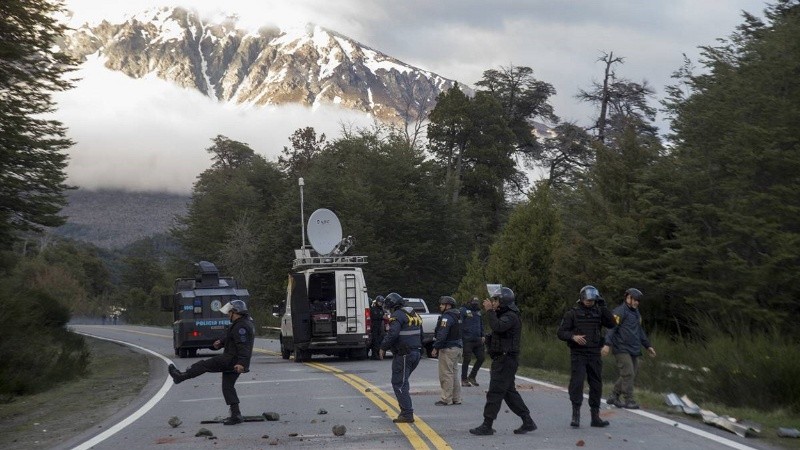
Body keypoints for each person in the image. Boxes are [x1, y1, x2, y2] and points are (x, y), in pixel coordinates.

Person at [168, 299, 255, 425]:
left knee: (203, 365)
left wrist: (241, 363)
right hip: (234, 360)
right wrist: (221, 342)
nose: (227, 314)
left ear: (235, 312)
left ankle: (180, 377)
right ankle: (236, 414)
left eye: (229, 312)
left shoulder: (241, 326)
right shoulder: (241, 323)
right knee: (228, 386)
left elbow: (243, 346)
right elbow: (232, 338)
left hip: (231, 360)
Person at [469, 286, 536, 436]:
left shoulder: (511, 316)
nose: (493, 302)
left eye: (496, 300)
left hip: (505, 360)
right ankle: (528, 421)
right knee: (509, 393)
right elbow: (497, 331)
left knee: (495, 392)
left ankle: (487, 425)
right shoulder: (504, 314)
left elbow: (498, 327)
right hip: (503, 360)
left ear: (503, 301)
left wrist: (490, 311)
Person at [557, 285, 616, 428]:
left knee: (596, 384)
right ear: (582, 299)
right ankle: (576, 415)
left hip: (594, 353)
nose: (590, 302)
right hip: (578, 354)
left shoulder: (600, 312)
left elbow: (612, 324)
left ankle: (595, 417)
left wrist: (604, 307)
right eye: (587, 300)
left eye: (592, 300)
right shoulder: (573, 314)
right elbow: (561, 332)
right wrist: (573, 337)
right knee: (577, 383)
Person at [602, 288, 656, 409]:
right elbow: (611, 328)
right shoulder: (619, 311)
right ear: (628, 298)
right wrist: (607, 344)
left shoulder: (637, 314)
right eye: (635, 300)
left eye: (638, 301)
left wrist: (648, 346)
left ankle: (614, 395)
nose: (636, 303)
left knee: (629, 374)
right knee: (628, 373)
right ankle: (629, 399)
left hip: (634, 348)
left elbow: (640, 331)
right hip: (621, 347)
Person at [379, 292, 424, 423]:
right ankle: (406, 411)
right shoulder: (414, 314)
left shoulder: (397, 316)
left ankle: (407, 413)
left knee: (399, 383)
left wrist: (383, 347)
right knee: (403, 382)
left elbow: (393, 333)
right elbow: (420, 334)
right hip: (416, 352)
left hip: (404, 354)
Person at [431, 296, 463, 406]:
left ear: (448, 305)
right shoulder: (457, 315)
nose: (440, 306)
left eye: (442, 304)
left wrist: (436, 347)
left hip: (448, 348)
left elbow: (442, 334)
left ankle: (446, 399)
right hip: (457, 347)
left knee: (446, 374)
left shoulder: (446, 317)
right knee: (454, 373)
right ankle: (456, 398)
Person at [460, 296, 485, 387]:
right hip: (467, 339)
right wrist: (461, 337)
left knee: (481, 358)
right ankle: (464, 379)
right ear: (469, 302)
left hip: (478, 339)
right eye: (474, 302)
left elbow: (481, 324)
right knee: (467, 359)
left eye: (477, 302)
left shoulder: (478, 311)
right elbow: (460, 324)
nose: (475, 304)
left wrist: (482, 335)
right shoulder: (463, 310)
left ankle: (472, 376)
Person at [369, 295, 386, 360]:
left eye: (381, 302)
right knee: (375, 341)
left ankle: (378, 354)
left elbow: (383, 315)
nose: (380, 303)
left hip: (380, 327)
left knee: (379, 340)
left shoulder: (381, 309)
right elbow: (374, 317)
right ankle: (374, 355)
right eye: (379, 302)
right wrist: (382, 317)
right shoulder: (373, 309)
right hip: (374, 327)